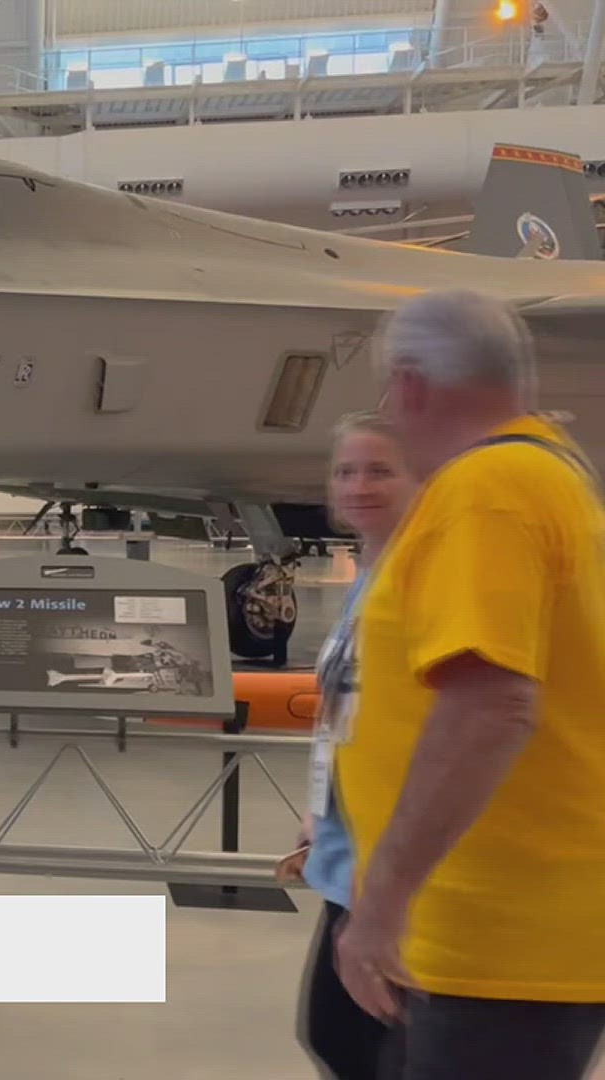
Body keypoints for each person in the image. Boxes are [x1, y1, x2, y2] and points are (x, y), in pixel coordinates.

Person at [334, 288, 605, 1079]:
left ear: (411, 386)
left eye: (389, 392)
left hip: (492, 946)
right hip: (500, 939)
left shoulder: (486, 491)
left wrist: (381, 905)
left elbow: (492, 704)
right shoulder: (548, 476)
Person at [274, 412, 413, 1080]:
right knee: (334, 1039)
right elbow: (349, 708)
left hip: (392, 871)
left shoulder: (420, 580)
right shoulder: (369, 578)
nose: (358, 486)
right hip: (344, 854)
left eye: (380, 470)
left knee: (374, 1049)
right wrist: (320, 810)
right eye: (346, 471)